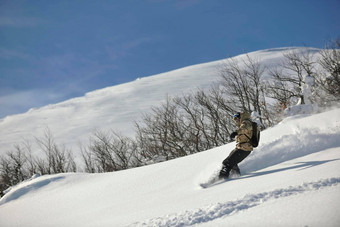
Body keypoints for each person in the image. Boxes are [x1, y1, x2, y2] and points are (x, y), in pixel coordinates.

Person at [219, 112, 253, 179]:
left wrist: (236, 132)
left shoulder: (246, 122)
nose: (236, 120)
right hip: (242, 148)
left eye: (237, 118)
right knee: (232, 163)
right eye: (235, 119)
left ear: (241, 117)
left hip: (244, 148)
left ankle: (221, 180)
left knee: (226, 163)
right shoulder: (244, 123)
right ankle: (236, 177)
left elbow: (244, 128)